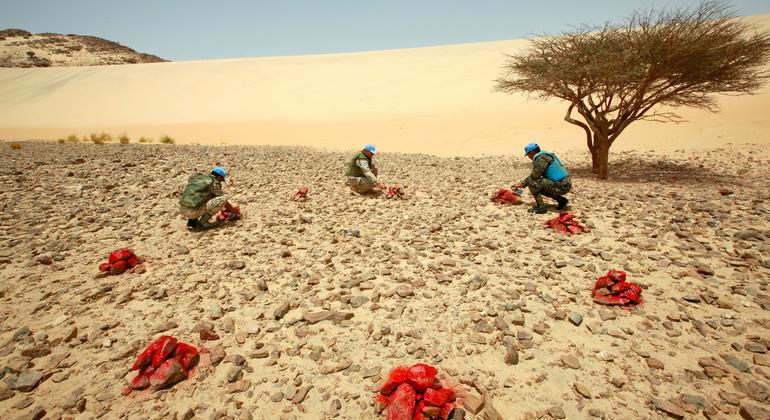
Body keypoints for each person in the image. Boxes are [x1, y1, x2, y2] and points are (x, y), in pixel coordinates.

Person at [513, 143, 572, 214]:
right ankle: (561, 200)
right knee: (539, 186)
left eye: (528, 154)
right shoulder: (545, 155)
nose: (528, 156)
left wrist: (521, 184)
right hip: (563, 183)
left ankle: (541, 207)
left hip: (562, 184)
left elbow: (535, 176)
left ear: (532, 152)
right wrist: (522, 184)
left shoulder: (542, 158)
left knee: (532, 182)